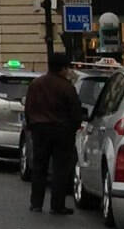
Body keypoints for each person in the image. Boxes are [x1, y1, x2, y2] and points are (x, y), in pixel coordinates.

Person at [25, 52, 82, 215]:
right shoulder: (66, 87)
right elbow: (75, 112)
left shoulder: (36, 84)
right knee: (60, 169)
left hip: (39, 129)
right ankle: (57, 205)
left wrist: (32, 126)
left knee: (39, 167)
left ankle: (36, 203)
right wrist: (74, 127)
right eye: (67, 67)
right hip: (62, 131)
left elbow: (28, 108)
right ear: (63, 68)